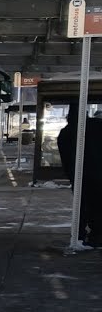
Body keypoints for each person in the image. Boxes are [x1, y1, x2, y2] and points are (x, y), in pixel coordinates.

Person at [57, 103, 102, 246]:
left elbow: (65, 158)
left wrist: (70, 175)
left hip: (79, 175)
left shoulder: (66, 132)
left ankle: (79, 235)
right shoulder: (97, 126)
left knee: (80, 206)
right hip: (98, 174)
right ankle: (97, 236)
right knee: (97, 205)